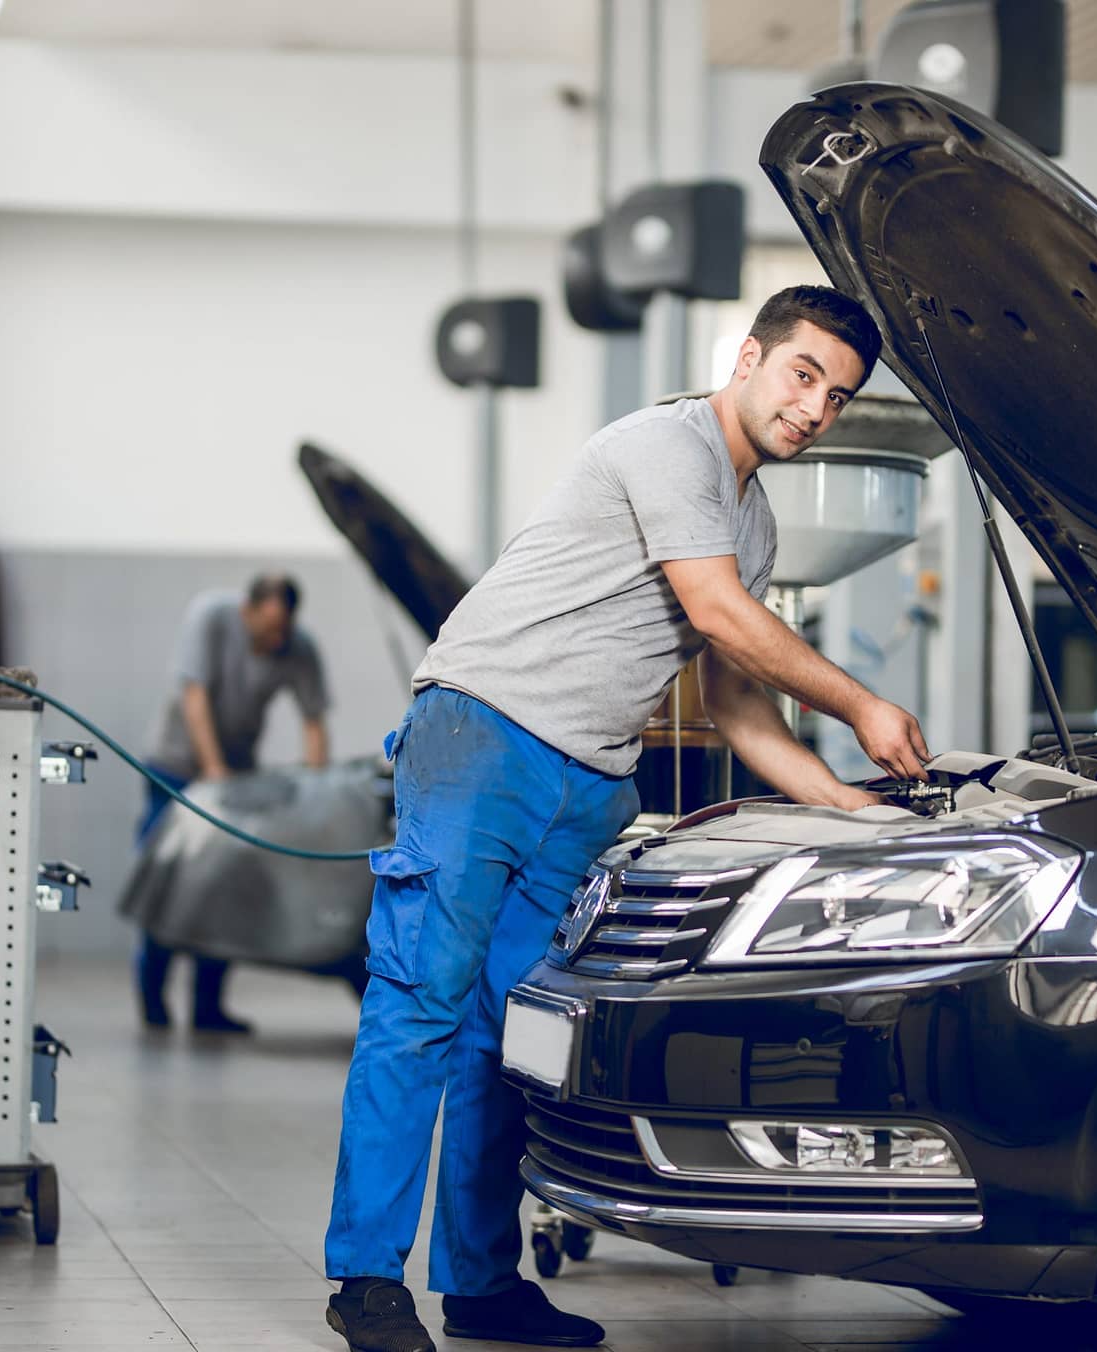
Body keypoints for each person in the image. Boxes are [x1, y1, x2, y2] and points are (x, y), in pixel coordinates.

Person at [323, 286, 930, 1352]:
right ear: (748, 356)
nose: (815, 409)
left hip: (589, 778)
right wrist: (865, 701)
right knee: (421, 1002)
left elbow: (738, 699)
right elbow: (717, 613)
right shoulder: (666, 443)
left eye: (837, 396)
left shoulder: (755, 518)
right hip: (482, 735)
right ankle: (367, 1278)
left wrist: (846, 800)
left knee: (506, 1040)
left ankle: (480, 1283)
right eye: (803, 375)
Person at [137, 573, 330, 1032]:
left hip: (235, 774)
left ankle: (207, 1007)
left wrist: (319, 791)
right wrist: (213, 769)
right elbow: (195, 695)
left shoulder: (297, 646)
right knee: (167, 884)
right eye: (266, 631)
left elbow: (314, 720)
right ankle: (153, 999)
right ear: (248, 609)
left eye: (282, 631)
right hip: (175, 767)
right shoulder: (210, 616)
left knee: (223, 890)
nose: (275, 640)